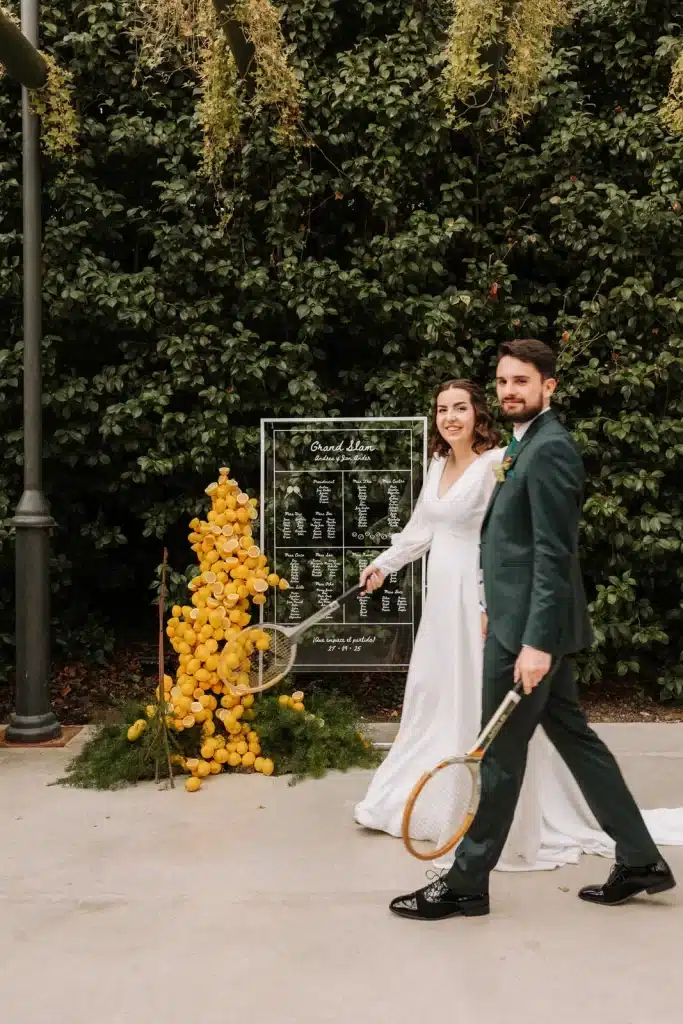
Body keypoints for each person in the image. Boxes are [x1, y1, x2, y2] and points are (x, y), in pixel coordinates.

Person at [358, 340, 680, 918]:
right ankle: (640, 859)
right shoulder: (520, 444)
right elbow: (507, 544)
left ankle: (465, 884)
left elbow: (554, 557)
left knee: (500, 754)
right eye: (503, 381)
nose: (509, 391)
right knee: (577, 740)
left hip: (529, 633)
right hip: (515, 619)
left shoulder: (551, 449)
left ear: (548, 387)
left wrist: (535, 643)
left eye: (521, 382)